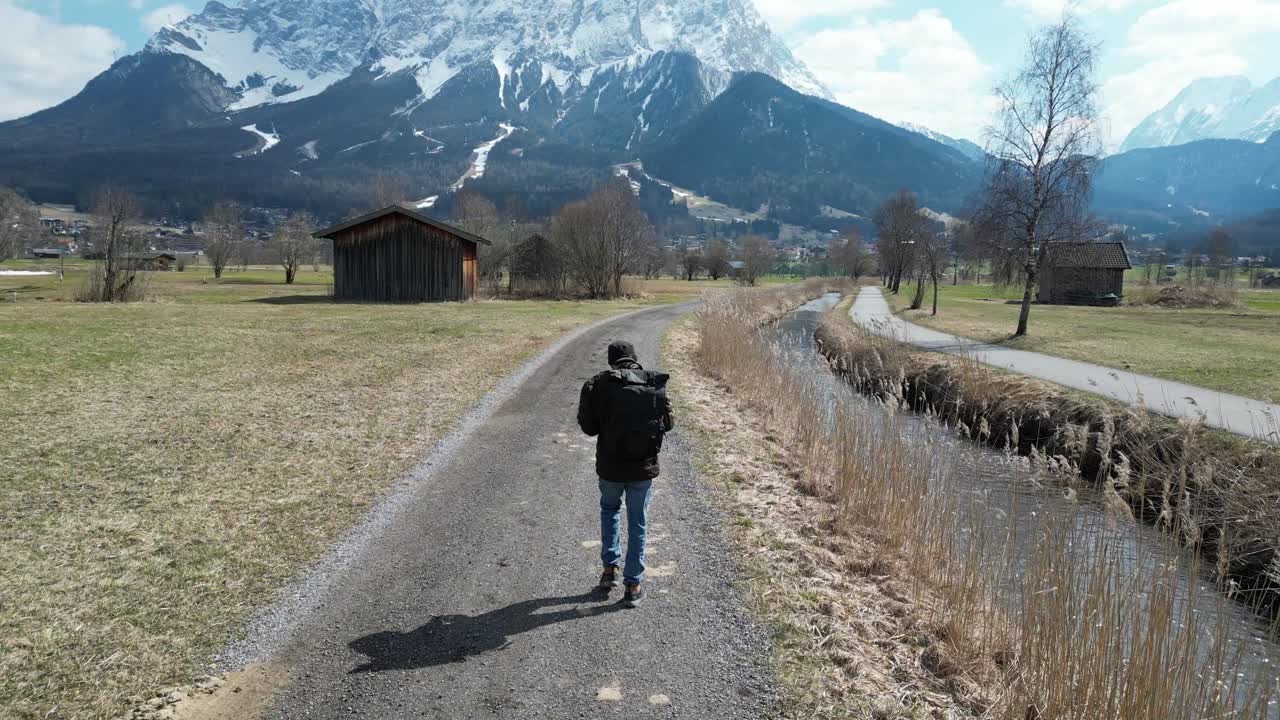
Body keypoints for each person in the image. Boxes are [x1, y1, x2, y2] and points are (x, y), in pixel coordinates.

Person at [577, 340, 674, 608]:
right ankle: (633, 585)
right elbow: (668, 423)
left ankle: (610, 570)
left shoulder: (596, 385)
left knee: (610, 510)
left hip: (610, 466)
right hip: (643, 467)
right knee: (638, 521)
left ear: (611, 362)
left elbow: (588, 428)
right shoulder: (652, 382)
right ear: (634, 358)